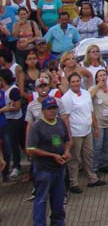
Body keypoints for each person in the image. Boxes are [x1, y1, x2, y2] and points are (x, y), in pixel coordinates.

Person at [27, 96, 71, 226]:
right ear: (43, 110)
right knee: (41, 200)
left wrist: (67, 152)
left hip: (59, 169)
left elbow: (67, 140)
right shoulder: (36, 126)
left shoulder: (60, 122)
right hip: (43, 170)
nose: (52, 111)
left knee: (58, 200)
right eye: (49, 108)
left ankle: (58, 223)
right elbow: (31, 149)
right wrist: (52, 155)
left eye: (54, 108)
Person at [62, 73, 105, 193]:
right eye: (73, 81)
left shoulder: (86, 93)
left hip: (87, 131)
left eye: (77, 81)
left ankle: (92, 179)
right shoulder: (67, 98)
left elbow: (91, 112)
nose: (76, 83)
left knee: (88, 155)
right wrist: (69, 137)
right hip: (75, 133)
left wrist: (96, 127)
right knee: (74, 159)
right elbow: (65, 118)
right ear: (69, 83)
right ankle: (73, 183)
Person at [89, 69, 108, 174]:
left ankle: (103, 164)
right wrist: (98, 86)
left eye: (104, 75)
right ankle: (94, 168)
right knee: (97, 145)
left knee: (105, 144)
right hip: (98, 123)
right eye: (100, 75)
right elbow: (88, 98)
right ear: (97, 78)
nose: (103, 77)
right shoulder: (93, 89)